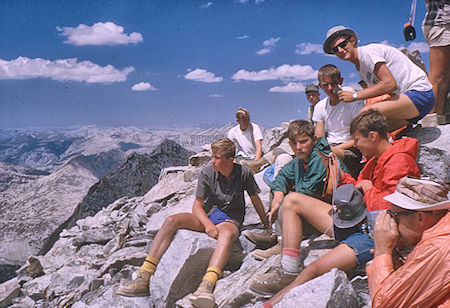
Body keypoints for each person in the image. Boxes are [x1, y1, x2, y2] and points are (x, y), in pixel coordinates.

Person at [252, 109, 421, 306]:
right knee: (293, 200)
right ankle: (288, 268)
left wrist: (367, 189)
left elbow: (391, 208)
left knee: (312, 270)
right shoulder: (375, 160)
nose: (355, 145)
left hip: (373, 234)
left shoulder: (400, 160)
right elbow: (356, 190)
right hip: (357, 221)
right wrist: (340, 176)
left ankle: (271, 303)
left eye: (357, 140)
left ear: (373, 136)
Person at [116, 138, 269, 308]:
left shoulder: (244, 174)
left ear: (230, 160)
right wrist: (208, 225)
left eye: (217, 157)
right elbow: (197, 206)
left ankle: (206, 285)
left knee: (226, 234)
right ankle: (144, 278)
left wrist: (267, 225)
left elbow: (256, 200)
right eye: (212, 156)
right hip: (208, 215)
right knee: (171, 221)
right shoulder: (207, 172)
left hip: (229, 218)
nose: (213, 161)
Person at [248, 120, 350, 295]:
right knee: (285, 198)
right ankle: (282, 243)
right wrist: (278, 198)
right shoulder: (298, 163)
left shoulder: (321, 158)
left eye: (304, 141)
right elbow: (281, 179)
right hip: (321, 218)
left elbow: (308, 191)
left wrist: (285, 201)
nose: (299, 147)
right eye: (294, 143)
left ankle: (289, 269)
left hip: (341, 219)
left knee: (293, 200)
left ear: (314, 140)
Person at [323, 25, 435, 131]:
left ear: (352, 40)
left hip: (420, 94)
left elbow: (390, 84)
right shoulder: (360, 67)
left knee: (366, 115)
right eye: (335, 49)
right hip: (410, 101)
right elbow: (388, 91)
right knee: (371, 130)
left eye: (343, 44)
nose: (340, 50)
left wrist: (355, 96)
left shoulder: (367, 53)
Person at [368, 176, 449, 307]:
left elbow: (384, 304)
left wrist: (382, 251)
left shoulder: (437, 248)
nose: (393, 223)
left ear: (420, 218)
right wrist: (393, 260)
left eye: (396, 217)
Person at [313, 64, 366, 179]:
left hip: (351, 148)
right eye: (325, 85)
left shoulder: (352, 100)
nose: (330, 88)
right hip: (330, 147)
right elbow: (320, 137)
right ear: (320, 86)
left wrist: (335, 149)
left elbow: (361, 136)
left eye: (333, 83)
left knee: (325, 155)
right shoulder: (320, 107)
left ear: (340, 81)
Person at [421, 0, 450, 125]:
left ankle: (439, 119)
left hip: (441, 23)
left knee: (444, 77)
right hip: (442, 23)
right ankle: (428, 122)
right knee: (437, 77)